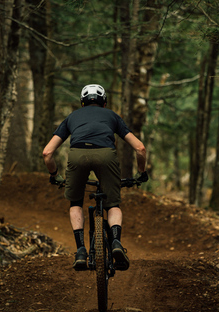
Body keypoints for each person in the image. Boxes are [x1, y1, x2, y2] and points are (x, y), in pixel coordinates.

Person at [42, 84, 148, 271]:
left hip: (77, 156)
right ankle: (115, 242)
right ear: (104, 102)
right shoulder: (112, 116)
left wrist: (54, 175)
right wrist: (141, 173)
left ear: (82, 102)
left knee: (75, 203)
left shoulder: (72, 117)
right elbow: (140, 148)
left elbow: (47, 153)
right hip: (106, 156)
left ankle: (81, 250)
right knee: (113, 205)